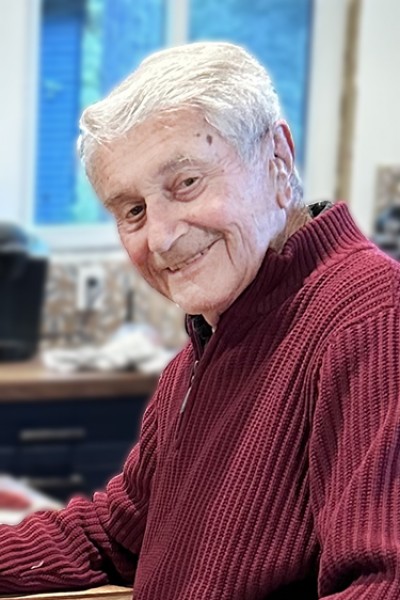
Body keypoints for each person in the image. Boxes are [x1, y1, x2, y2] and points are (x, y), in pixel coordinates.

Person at [1, 41, 400, 600]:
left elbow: (382, 585)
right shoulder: (209, 345)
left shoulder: (373, 321)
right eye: (133, 210)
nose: (161, 237)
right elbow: (117, 536)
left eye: (186, 183)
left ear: (277, 159)